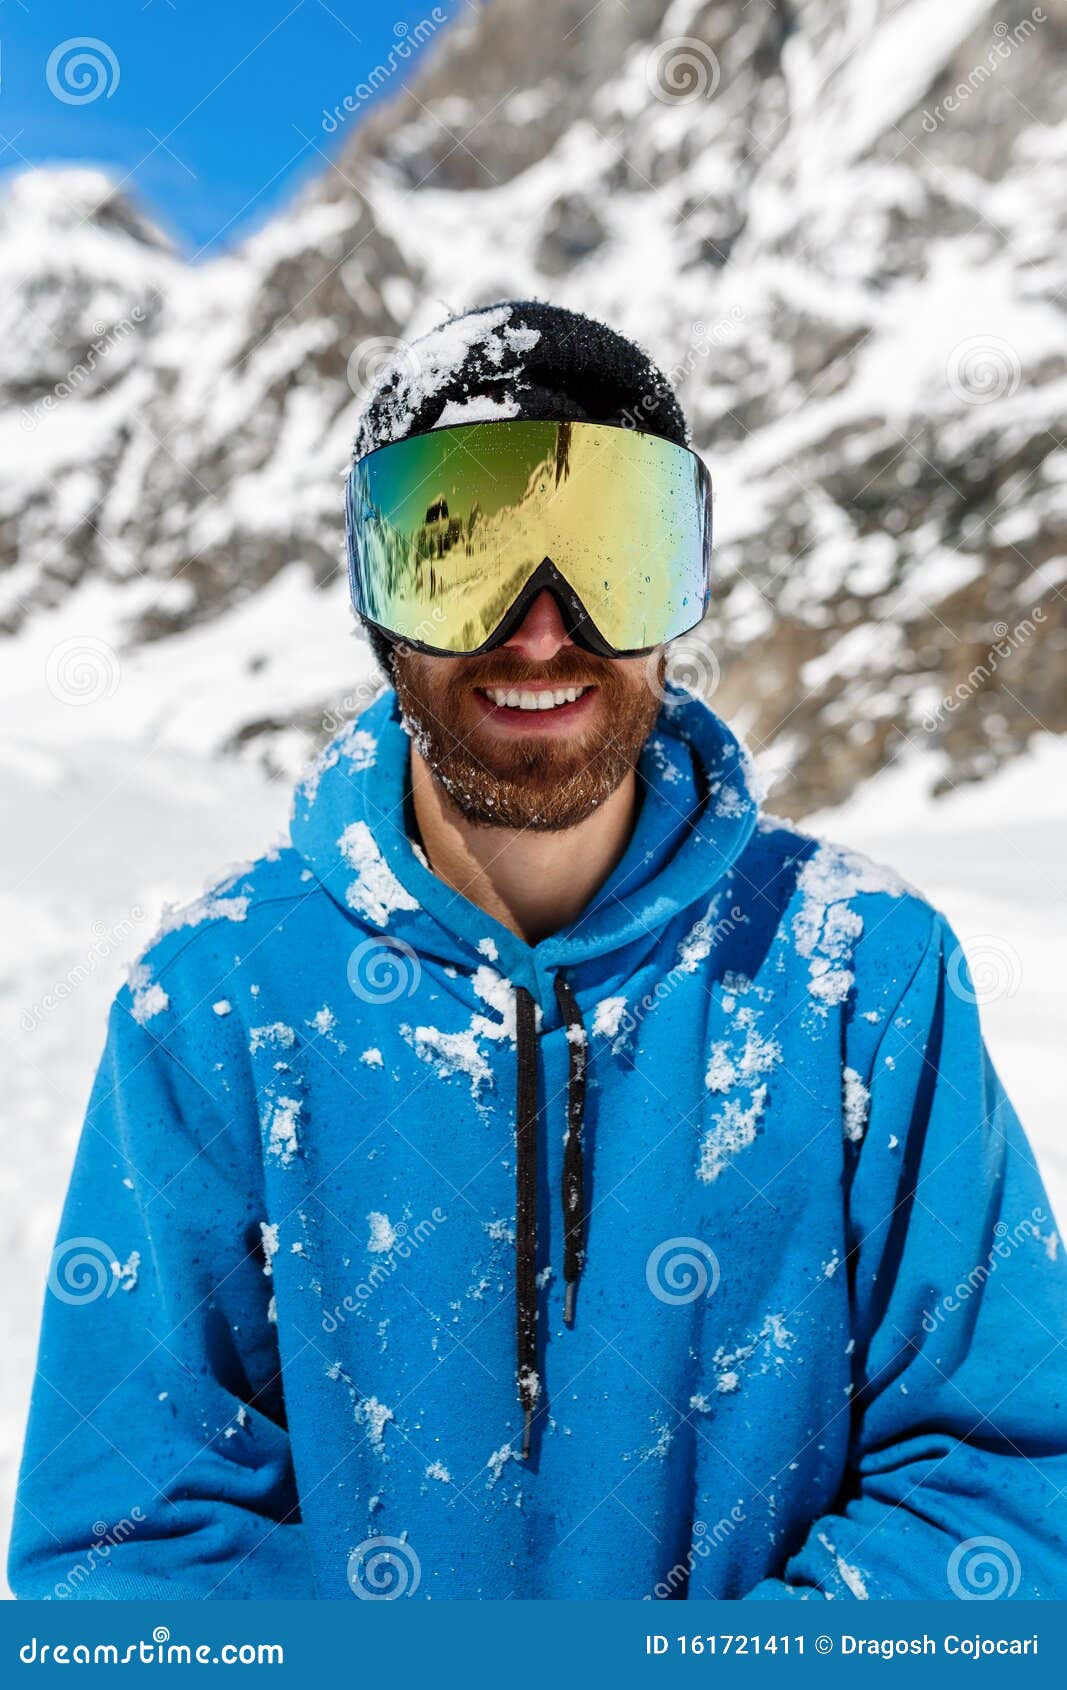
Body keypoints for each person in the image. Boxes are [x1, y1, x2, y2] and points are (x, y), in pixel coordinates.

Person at [11, 302, 1066, 1602]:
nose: (543, 628)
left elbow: (1009, 1495)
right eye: (461, 554)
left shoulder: (859, 978)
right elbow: (127, 1553)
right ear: (372, 597)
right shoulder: (220, 1001)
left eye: (614, 554)